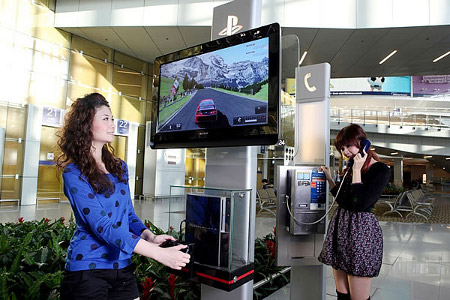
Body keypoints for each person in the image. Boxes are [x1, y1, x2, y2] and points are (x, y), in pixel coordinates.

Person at [56, 93, 190, 300]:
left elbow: (127, 215)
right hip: (87, 270)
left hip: (123, 267)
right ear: (85, 124)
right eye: (105, 118)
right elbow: (104, 226)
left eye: (112, 118)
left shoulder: (119, 167)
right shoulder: (74, 173)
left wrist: (150, 237)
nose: (112, 124)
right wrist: (159, 254)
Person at [318, 124, 390, 300]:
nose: (345, 152)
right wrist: (330, 180)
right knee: (342, 293)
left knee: (358, 296)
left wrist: (357, 170)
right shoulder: (350, 169)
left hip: (361, 232)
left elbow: (360, 204)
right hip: (342, 228)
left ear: (362, 143)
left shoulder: (380, 170)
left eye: (348, 146)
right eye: (341, 148)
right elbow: (343, 201)